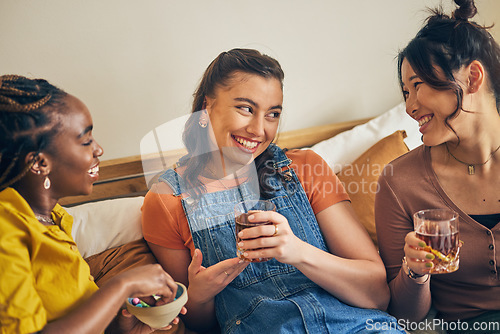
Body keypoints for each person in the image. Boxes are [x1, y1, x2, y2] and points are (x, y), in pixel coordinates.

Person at [142, 48, 405, 333]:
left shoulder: (306, 169)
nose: (258, 129)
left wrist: (296, 251)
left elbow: (377, 294)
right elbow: (198, 325)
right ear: (207, 107)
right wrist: (200, 294)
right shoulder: (167, 200)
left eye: (273, 114)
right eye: (245, 108)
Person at [0, 75, 186, 334]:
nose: (98, 149)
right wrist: (122, 285)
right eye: (86, 141)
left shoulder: (52, 218)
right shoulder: (6, 231)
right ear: (40, 163)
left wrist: (120, 328)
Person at [375, 0, 500, 330]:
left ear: (472, 78)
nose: (410, 107)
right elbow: (404, 316)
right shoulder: (399, 181)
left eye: (418, 85)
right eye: (405, 92)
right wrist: (414, 272)